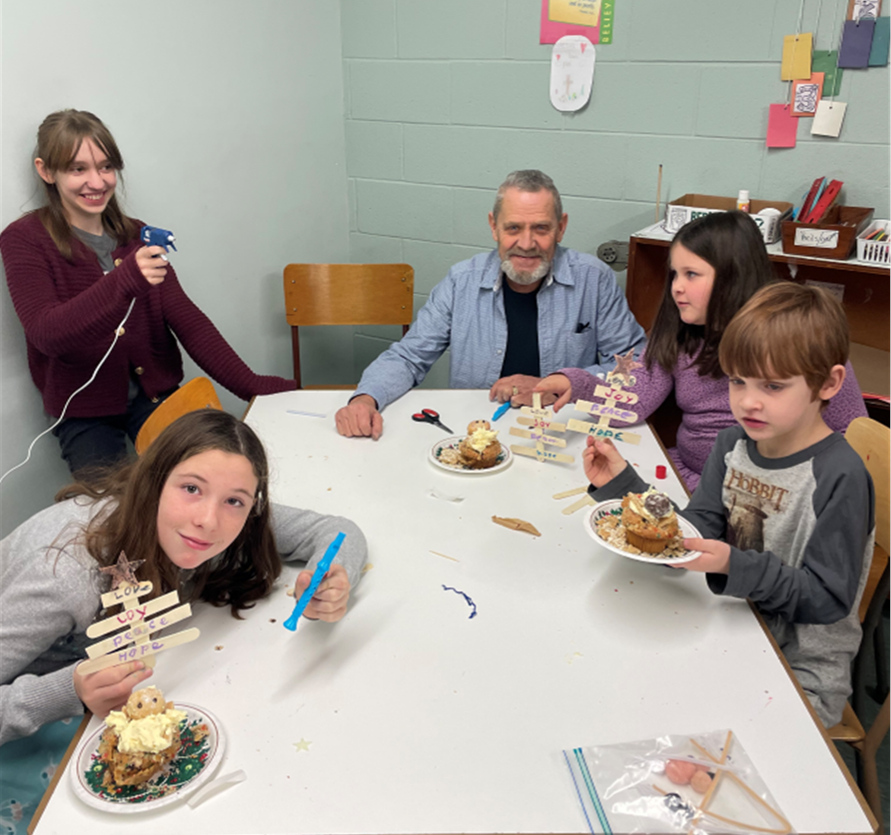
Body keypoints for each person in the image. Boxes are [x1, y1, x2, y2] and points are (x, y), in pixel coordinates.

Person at [0, 409, 366, 825]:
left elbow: (338, 531)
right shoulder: (66, 572)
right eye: (191, 488)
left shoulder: (230, 518)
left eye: (234, 501)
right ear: (154, 482)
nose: (208, 521)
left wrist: (329, 580)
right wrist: (69, 690)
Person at [583, 283, 875, 728]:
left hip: (797, 670)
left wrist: (731, 565)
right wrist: (624, 488)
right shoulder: (732, 444)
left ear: (829, 383)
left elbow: (827, 600)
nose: (748, 401)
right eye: (738, 380)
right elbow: (693, 536)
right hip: (729, 624)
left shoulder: (841, 476)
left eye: (773, 386)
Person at [0, 110, 296, 476]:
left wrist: (255, 386)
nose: (97, 181)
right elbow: (47, 333)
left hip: (157, 397)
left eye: (106, 167)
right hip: (85, 413)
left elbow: (188, 321)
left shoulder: (136, 235)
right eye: (78, 169)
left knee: (210, 481)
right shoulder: (24, 238)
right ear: (47, 171)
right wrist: (125, 282)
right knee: (110, 512)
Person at [534, 211, 867, 490]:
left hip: (762, 494)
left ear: (732, 277)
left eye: (692, 274)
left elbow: (851, 435)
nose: (677, 286)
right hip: (687, 478)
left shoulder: (796, 337)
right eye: (675, 274)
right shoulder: (679, 332)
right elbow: (635, 399)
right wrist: (578, 385)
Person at [335, 169, 646, 439]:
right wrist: (365, 399)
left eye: (541, 228)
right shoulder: (461, 281)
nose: (526, 243)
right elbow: (408, 357)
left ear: (561, 227)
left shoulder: (595, 280)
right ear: (493, 226)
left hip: (559, 435)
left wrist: (561, 386)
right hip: (474, 433)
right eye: (513, 228)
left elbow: (637, 367)